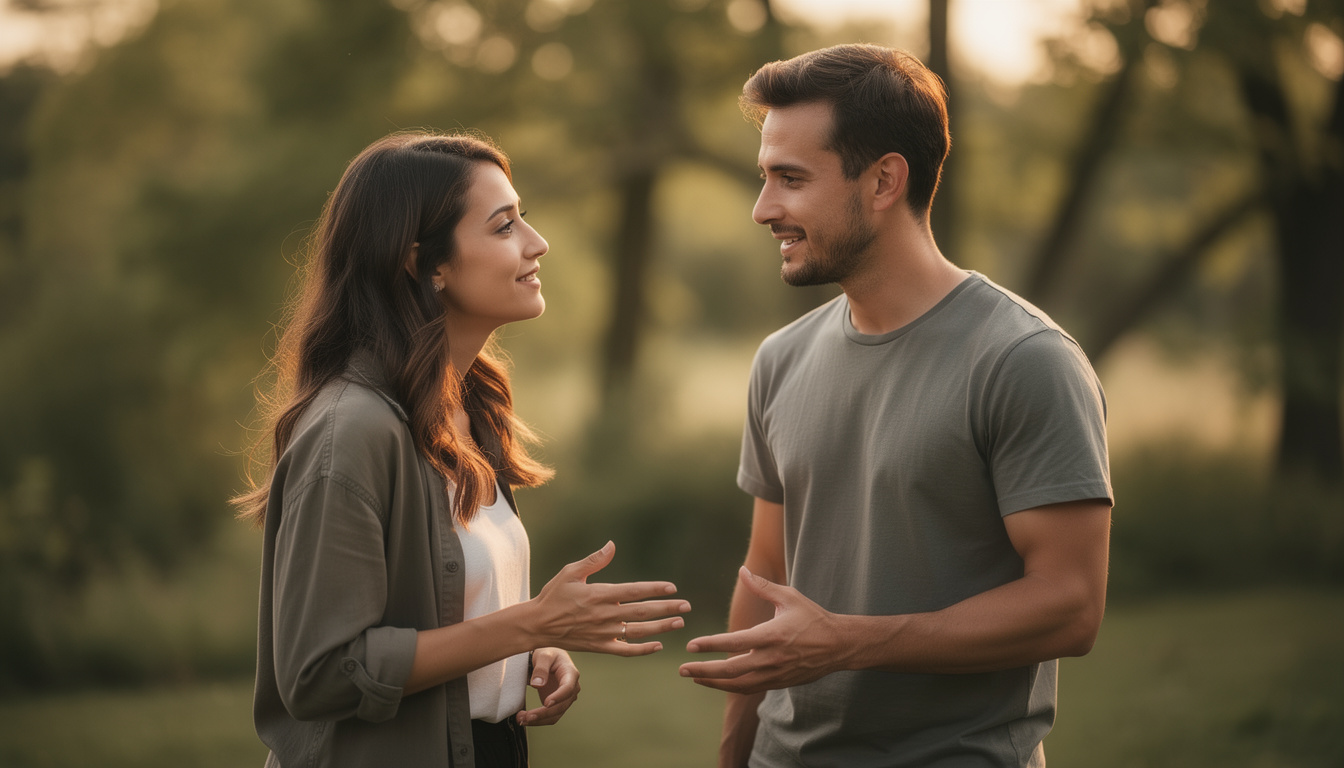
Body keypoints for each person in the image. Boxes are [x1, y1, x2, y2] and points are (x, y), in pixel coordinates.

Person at [679, 44, 1113, 768]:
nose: (764, 210)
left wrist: (851, 642)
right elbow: (766, 574)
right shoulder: (779, 360)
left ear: (884, 180)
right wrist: (736, 752)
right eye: (764, 178)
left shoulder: (1024, 360)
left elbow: (1070, 605)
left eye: (790, 179)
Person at [234, 130, 691, 768]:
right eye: (504, 227)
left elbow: (452, 612)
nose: (538, 243)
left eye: (522, 219)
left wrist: (521, 657)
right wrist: (531, 625)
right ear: (426, 264)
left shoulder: (469, 409)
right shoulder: (352, 433)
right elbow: (322, 674)